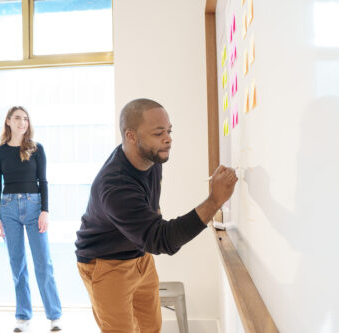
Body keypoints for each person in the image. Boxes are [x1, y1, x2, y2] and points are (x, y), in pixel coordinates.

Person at [75, 98, 238, 333]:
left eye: (169, 131)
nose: (168, 138)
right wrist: (214, 201)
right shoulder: (116, 186)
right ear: (131, 136)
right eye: (159, 132)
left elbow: (153, 221)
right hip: (105, 264)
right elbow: (163, 240)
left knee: (151, 328)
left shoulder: (150, 157)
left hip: (140, 257)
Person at [0, 106, 62, 332]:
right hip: (8, 208)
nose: (23, 122)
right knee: (17, 265)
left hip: (34, 207)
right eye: (18, 118)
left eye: (26, 119)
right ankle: (23, 317)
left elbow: (44, 181)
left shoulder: (37, 149)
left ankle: (54, 316)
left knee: (43, 263)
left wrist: (45, 210)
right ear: (8, 122)